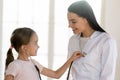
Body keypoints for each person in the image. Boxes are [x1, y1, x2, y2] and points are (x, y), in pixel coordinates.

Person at [4, 27, 84, 80]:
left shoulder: (34, 64)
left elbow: (56, 74)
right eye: (35, 43)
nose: (38, 46)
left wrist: (71, 59)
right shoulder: (15, 65)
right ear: (24, 47)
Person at [67, 0, 117, 80]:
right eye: (69, 21)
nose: (69, 25)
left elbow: (107, 76)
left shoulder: (106, 41)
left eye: (73, 21)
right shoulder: (73, 40)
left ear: (86, 19)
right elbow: (71, 71)